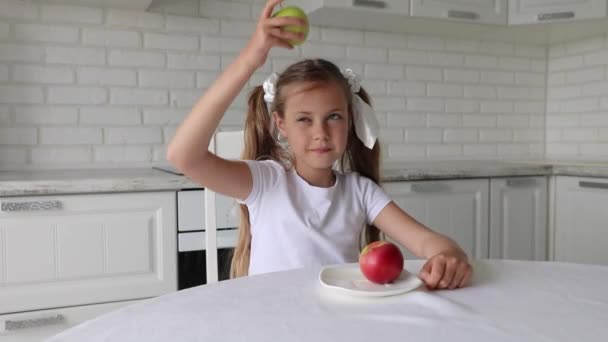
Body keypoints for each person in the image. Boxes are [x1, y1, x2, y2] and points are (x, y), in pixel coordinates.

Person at [167, 0, 472, 290]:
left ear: (350, 120)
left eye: (333, 116)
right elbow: (184, 156)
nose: (321, 132)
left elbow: (430, 243)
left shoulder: (360, 192)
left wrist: (449, 256)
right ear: (281, 124)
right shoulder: (266, 183)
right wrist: (252, 56)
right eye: (304, 119)